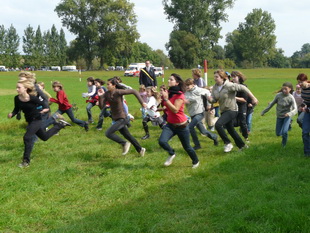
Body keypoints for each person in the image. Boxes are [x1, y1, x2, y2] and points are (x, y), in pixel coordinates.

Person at [7, 80, 71, 167]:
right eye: (16, 87)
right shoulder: (17, 98)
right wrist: (12, 114)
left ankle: (26, 161)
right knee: (44, 137)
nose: (17, 89)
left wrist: (45, 109)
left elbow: (44, 104)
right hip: (29, 120)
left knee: (27, 137)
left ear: (25, 88)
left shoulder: (33, 98)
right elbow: (16, 109)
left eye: (19, 87)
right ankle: (60, 125)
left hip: (37, 119)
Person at [208, 69, 258, 152]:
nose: (215, 78)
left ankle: (227, 143)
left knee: (218, 125)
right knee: (230, 130)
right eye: (214, 77)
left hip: (232, 110)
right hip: (223, 110)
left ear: (222, 77)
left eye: (217, 77)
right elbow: (214, 99)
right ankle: (242, 146)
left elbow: (243, 88)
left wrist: (253, 97)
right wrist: (210, 100)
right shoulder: (215, 87)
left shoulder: (229, 85)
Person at [159, 73, 200, 168]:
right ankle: (171, 153)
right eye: (168, 79)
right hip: (170, 125)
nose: (168, 81)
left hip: (182, 126)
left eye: (171, 79)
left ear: (177, 83)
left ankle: (195, 161)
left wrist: (166, 99)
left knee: (187, 147)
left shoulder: (179, 95)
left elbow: (175, 109)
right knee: (162, 141)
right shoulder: (170, 93)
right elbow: (165, 104)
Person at [98, 77, 147, 156]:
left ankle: (124, 143)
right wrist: (100, 97)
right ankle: (140, 149)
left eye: (109, 84)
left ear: (114, 85)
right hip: (116, 119)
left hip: (122, 118)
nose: (107, 86)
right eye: (107, 84)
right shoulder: (106, 94)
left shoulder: (118, 92)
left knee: (108, 133)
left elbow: (134, 91)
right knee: (128, 136)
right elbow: (101, 107)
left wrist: (142, 103)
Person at [184, 78, 218, 150]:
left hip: (199, 113)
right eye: (186, 85)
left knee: (190, 127)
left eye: (188, 85)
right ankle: (214, 137)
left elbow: (207, 93)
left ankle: (197, 145)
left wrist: (209, 104)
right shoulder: (186, 93)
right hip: (192, 114)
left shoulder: (198, 90)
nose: (187, 87)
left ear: (193, 84)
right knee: (203, 131)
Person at [261, 82, 297, 147]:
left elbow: (295, 109)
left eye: (286, 89)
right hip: (279, 116)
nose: (284, 90)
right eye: (283, 89)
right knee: (278, 133)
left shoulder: (291, 97)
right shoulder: (278, 95)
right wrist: (264, 111)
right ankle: (287, 127)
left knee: (284, 132)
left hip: (287, 116)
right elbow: (271, 104)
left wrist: (289, 114)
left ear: (290, 89)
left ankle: (284, 144)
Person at [231, 71, 249, 141]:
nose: (233, 78)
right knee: (231, 123)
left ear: (239, 77)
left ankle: (246, 138)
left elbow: (244, 100)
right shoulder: (231, 86)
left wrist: (234, 98)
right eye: (232, 77)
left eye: (234, 77)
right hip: (233, 107)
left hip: (242, 107)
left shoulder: (243, 87)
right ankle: (236, 138)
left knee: (243, 124)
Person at [296, 73, 310, 157]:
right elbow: (305, 100)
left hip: (308, 110)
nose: (299, 84)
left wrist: (307, 109)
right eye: (298, 82)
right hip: (307, 111)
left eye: (301, 82)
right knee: (305, 132)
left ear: (306, 81)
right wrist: (302, 106)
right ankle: (307, 153)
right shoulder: (302, 89)